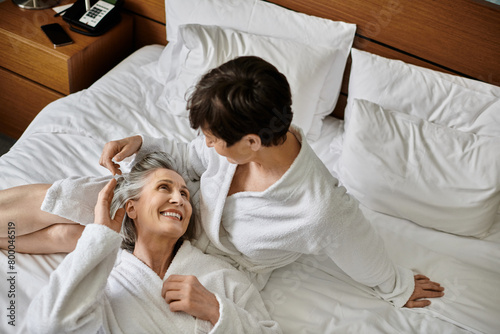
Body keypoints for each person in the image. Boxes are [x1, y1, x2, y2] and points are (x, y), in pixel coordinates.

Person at [0, 56, 443, 309]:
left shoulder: (319, 210)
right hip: (177, 206)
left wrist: (398, 287)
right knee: (59, 199)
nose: (207, 144)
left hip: (203, 257)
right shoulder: (241, 141)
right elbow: (193, 155)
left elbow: (362, 248)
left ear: (251, 141)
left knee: (71, 234)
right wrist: (144, 142)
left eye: (215, 138)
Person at [25, 152, 281, 334]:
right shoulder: (104, 279)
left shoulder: (223, 278)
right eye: (164, 188)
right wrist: (98, 236)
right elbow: (47, 325)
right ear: (131, 208)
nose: (179, 200)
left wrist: (216, 310)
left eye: (184, 193)